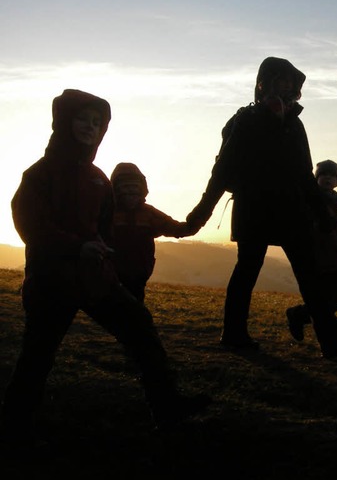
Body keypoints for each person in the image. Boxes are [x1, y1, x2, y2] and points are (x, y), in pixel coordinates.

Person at [0, 89, 210, 449]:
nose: (90, 127)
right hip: (52, 280)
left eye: (98, 122)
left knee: (140, 326)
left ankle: (167, 407)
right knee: (38, 352)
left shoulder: (99, 179)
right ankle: (13, 426)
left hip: (95, 279)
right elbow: (29, 224)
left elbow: (103, 228)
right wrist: (76, 246)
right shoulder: (39, 174)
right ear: (63, 122)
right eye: (83, 119)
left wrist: (102, 255)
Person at [186, 57, 337, 358]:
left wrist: (321, 213)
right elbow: (224, 168)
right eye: (281, 80)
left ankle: (329, 338)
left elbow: (304, 174)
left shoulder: (294, 123)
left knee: (306, 274)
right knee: (249, 270)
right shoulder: (247, 120)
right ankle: (233, 334)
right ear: (264, 83)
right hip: (256, 208)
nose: (287, 87)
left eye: (290, 83)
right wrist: (202, 213)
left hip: (288, 210)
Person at [286, 160, 337, 341]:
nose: (328, 178)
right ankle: (299, 316)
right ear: (316, 179)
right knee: (330, 304)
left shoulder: (336, 203)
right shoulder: (312, 203)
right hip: (324, 263)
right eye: (324, 175)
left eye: (332, 175)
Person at [110, 162, 193, 302]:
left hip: (138, 275)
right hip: (113, 274)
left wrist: (197, 220)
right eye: (125, 187)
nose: (130, 192)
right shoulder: (107, 212)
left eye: (134, 187)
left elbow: (177, 229)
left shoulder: (148, 214)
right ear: (115, 189)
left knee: (133, 312)